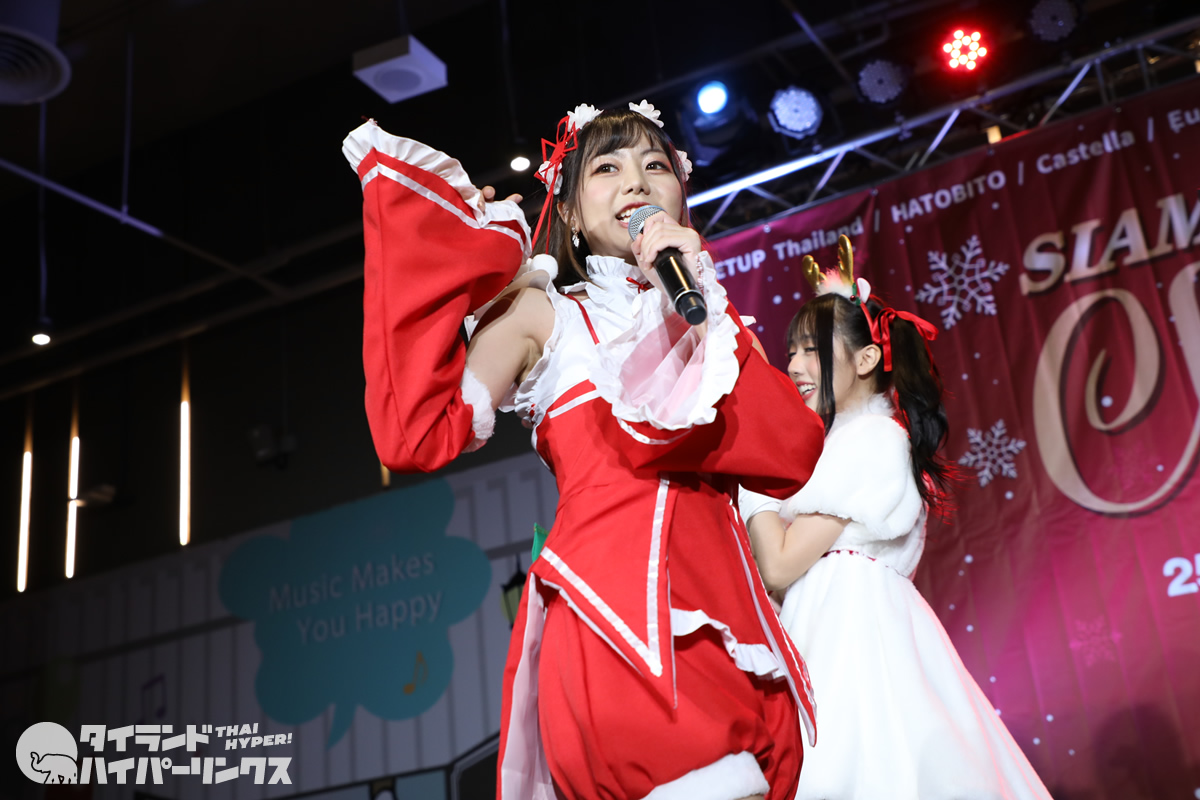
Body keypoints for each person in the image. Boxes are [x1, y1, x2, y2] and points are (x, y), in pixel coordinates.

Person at [342, 101, 827, 800]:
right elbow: (415, 434)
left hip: (729, 617)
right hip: (615, 616)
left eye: (656, 164)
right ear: (567, 211)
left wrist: (698, 293)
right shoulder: (544, 314)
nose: (636, 180)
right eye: (607, 167)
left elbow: (790, 454)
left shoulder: (705, 313)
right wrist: (460, 254)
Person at [740, 240, 1053, 800]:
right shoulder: (842, 443)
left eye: (812, 350)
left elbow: (779, 565)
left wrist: (751, 486)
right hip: (831, 631)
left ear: (865, 360)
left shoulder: (871, 439)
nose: (793, 366)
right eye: (791, 352)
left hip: (854, 644)